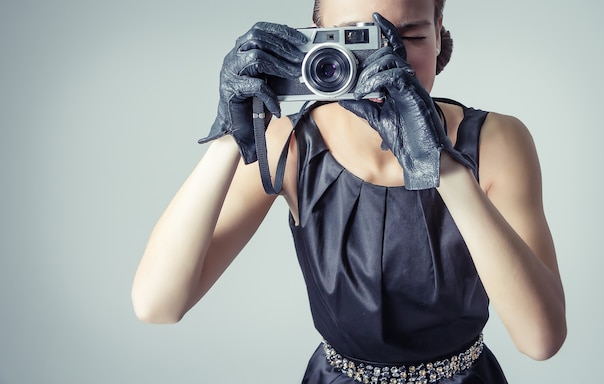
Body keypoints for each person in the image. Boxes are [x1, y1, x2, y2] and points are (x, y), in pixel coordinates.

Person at [131, 0, 567, 382]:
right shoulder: (291, 140)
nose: (384, 59)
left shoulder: (497, 139)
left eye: (410, 36)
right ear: (316, 44)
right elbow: (157, 304)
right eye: (357, 38)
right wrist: (231, 132)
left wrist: (441, 165)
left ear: (439, 36)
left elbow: (540, 339)